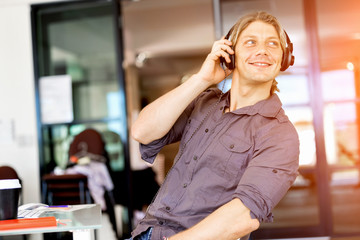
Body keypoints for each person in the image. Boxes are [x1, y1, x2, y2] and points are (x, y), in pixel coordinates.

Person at [130, 11, 300, 240]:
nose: (263, 51)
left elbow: (243, 217)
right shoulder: (205, 102)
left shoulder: (280, 134)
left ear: (284, 58)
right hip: (145, 233)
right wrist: (202, 79)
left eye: (273, 44)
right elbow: (143, 131)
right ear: (229, 53)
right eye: (251, 42)